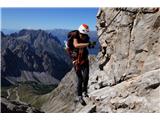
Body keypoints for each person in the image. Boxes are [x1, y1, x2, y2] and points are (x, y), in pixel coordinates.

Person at [66, 24, 96, 105]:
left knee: (86, 77)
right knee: (80, 79)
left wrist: (91, 45)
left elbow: (89, 45)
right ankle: (79, 96)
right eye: (82, 34)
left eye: (85, 34)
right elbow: (76, 45)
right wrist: (87, 44)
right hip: (76, 61)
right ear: (79, 32)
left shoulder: (86, 37)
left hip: (84, 59)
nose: (83, 36)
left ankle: (85, 91)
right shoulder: (75, 36)